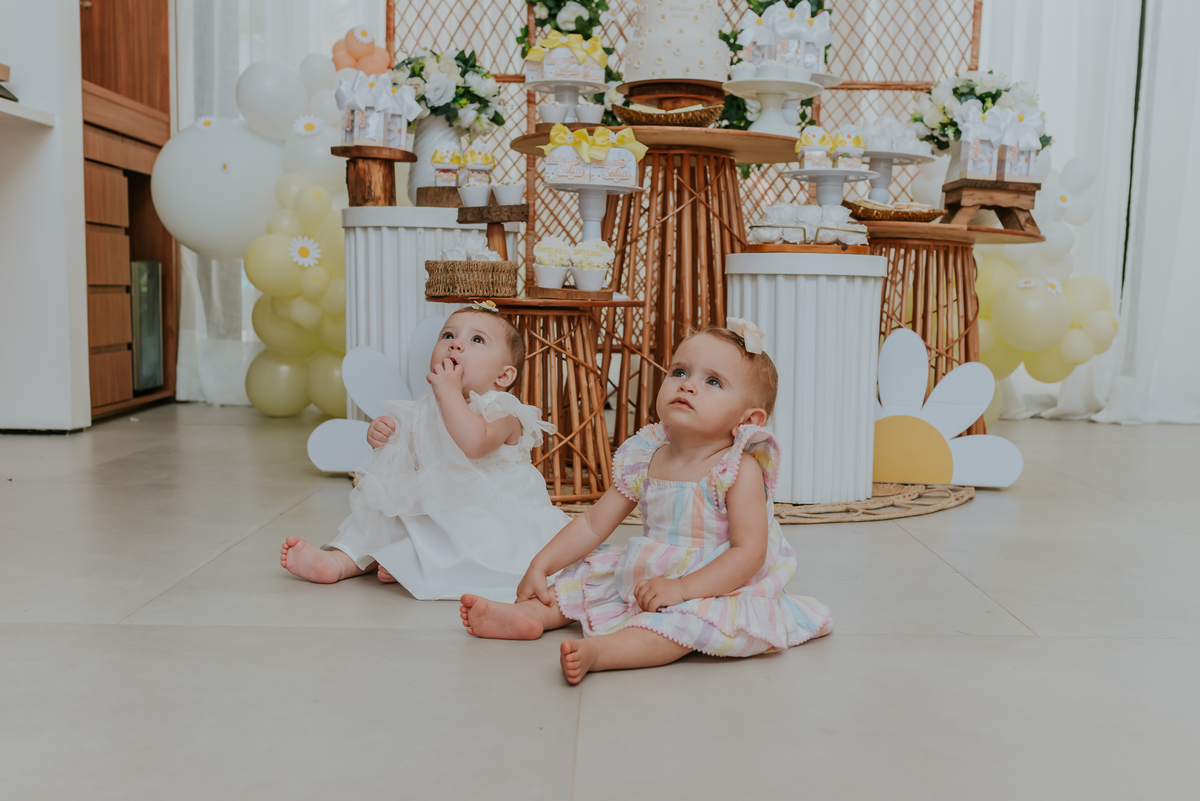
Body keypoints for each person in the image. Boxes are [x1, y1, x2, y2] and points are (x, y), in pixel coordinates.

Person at [459, 319, 833, 683]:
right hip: (653, 571)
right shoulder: (647, 454)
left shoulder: (738, 469)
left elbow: (748, 553)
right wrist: (541, 565)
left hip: (718, 581)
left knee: (679, 624)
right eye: (680, 372)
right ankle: (531, 616)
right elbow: (593, 523)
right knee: (589, 577)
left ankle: (605, 652)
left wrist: (683, 590)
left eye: (713, 381)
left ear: (747, 419)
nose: (688, 386)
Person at [280, 302, 570, 601]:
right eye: (448, 335)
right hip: (443, 501)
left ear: (504, 376)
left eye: (476, 340)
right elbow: (417, 456)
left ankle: (409, 561)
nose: (455, 343)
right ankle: (339, 561)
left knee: (477, 541)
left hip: (487, 513)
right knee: (385, 510)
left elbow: (473, 444)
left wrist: (447, 393)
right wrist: (387, 438)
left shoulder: (502, 409)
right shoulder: (430, 406)